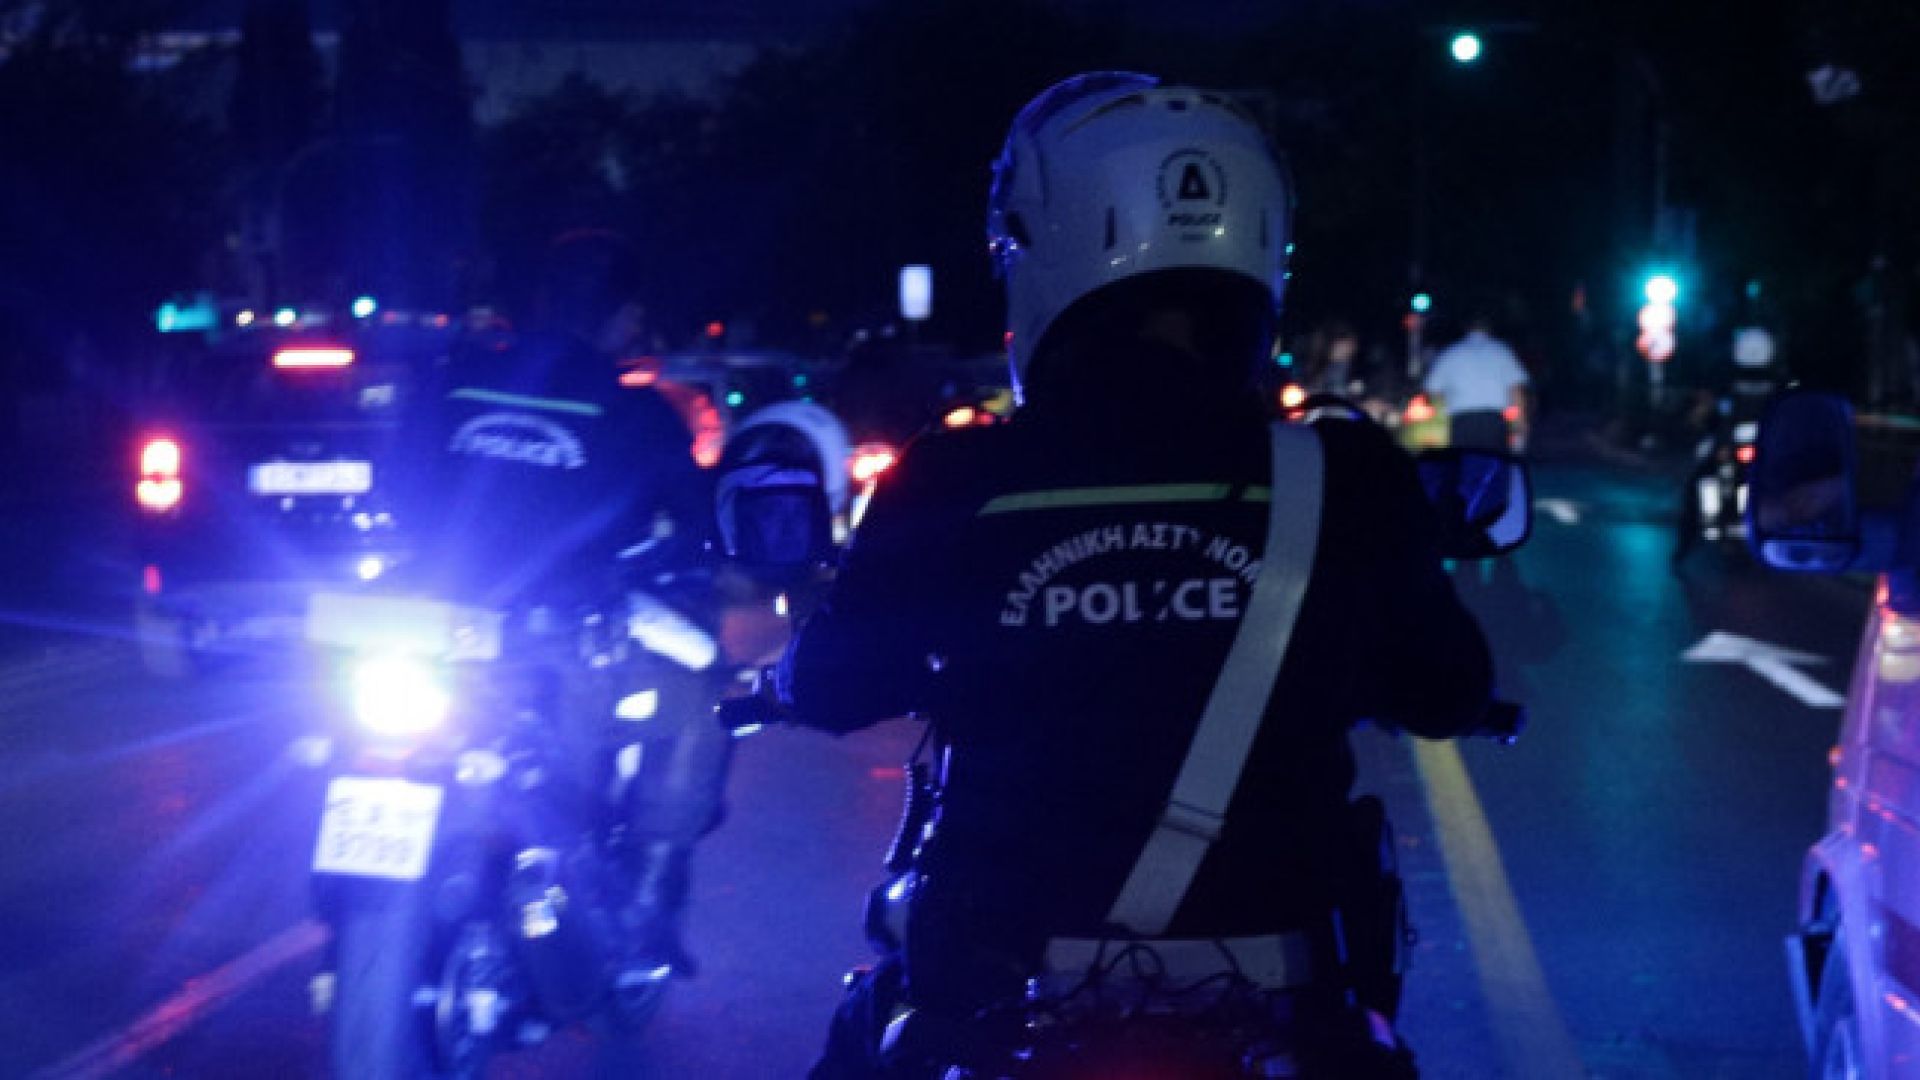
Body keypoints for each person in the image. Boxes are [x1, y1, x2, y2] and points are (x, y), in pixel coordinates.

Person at [776, 73, 1497, 1078]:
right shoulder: (1346, 474)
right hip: (1286, 998)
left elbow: (828, 686)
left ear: (1037, 248)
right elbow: (1449, 690)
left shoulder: (952, 476)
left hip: (1001, 996)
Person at [410, 228, 721, 974]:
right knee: (703, 700)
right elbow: (696, 527)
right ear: (624, 316)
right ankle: (647, 897)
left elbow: (399, 488)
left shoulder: (451, 382)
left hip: (432, 620)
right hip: (570, 628)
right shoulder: (636, 413)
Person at [1422, 315, 1530, 451]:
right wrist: (1520, 422)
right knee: (1492, 460)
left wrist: (1442, 414)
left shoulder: (1451, 353)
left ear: (1466, 329)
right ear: (1489, 329)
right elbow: (1516, 390)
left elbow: (1432, 390)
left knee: (1466, 460)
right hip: (1493, 421)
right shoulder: (1501, 351)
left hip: (1462, 422)